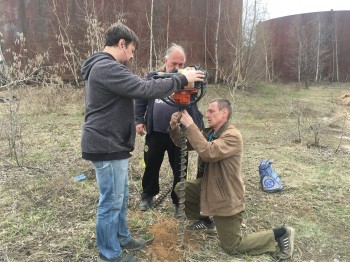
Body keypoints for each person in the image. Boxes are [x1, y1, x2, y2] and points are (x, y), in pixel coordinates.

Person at [80, 22, 205, 262]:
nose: (131, 55)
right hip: (106, 144)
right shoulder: (107, 67)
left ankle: (123, 237)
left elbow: (139, 86)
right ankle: (109, 254)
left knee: (120, 195)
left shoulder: (106, 67)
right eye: (132, 50)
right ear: (121, 44)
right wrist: (181, 79)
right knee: (111, 202)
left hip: (113, 143)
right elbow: (143, 87)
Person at [169, 98, 295, 260]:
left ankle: (280, 234)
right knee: (182, 188)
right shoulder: (211, 133)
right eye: (207, 111)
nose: (207, 114)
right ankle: (207, 221)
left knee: (233, 246)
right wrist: (174, 126)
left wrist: (191, 125)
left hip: (226, 197)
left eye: (211, 111)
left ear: (224, 113)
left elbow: (208, 153)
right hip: (210, 187)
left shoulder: (232, 136)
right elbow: (185, 143)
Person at [135, 43, 204, 216]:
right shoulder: (154, 77)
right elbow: (141, 98)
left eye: (181, 64)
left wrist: (191, 73)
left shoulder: (189, 78)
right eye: (174, 64)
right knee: (151, 164)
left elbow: (199, 84)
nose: (177, 68)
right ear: (165, 60)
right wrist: (139, 120)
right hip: (155, 132)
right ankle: (148, 195)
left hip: (179, 134)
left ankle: (178, 201)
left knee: (180, 167)